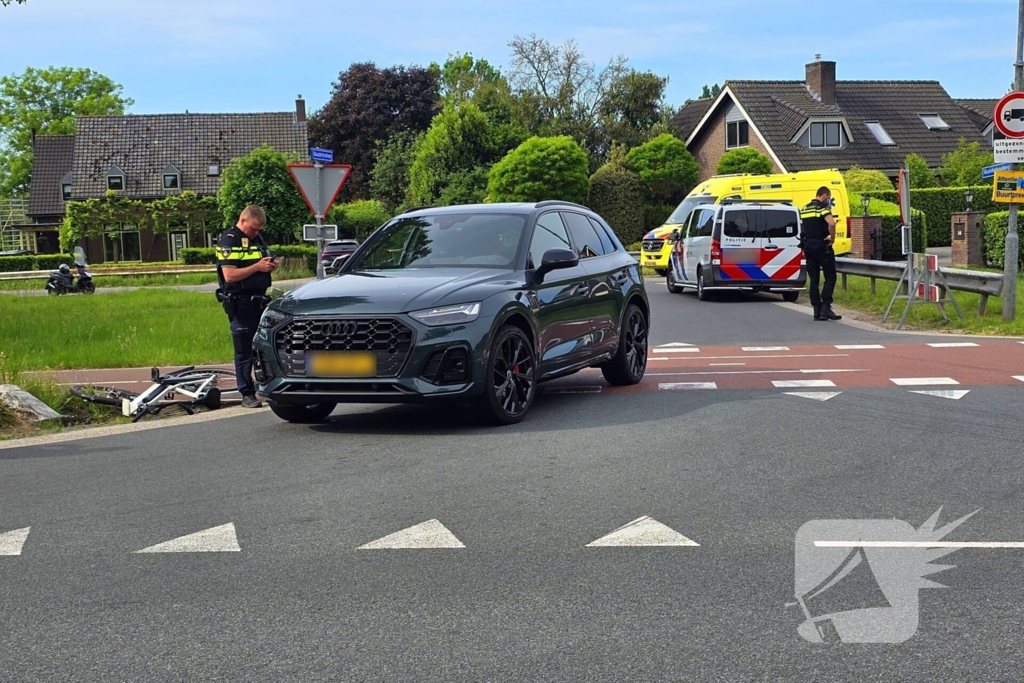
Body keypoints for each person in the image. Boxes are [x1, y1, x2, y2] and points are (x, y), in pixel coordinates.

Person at [215, 205, 278, 407]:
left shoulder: (255, 239)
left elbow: (257, 265)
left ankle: (265, 386)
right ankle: (246, 393)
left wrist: (268, 266)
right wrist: (258, 267)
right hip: (240, 304)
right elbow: (230, 275)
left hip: (259, 302)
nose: (257, 233)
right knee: (243, 350)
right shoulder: (229, 240)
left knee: (262, 347)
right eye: (254, 228)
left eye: (259, 230)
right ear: (243, 221)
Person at [799, 187, 842, 322]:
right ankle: (826, 307)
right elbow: (831, 223)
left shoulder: (805, 209)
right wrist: (833, 239)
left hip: (808, 246)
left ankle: (816, 311)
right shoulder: (822, 208)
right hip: (822, 246)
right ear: (824, 195)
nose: (828, 200)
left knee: (814, 279)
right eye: (828, 198)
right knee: (830, 276)